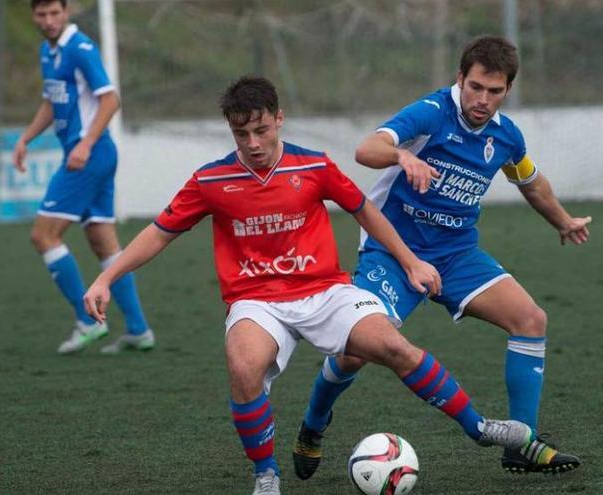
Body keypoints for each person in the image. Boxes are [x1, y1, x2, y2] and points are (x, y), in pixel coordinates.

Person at [83, 75, 540, 495]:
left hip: (324, 291)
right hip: (256, 301)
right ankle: (266, 475)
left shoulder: (315, 166)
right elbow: (160, 232)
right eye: (241, 134)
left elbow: (366, 210)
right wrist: (107, 277)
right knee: (244, 370)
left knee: (394, 348)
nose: (253, 143)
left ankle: (479, 428)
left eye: (261, 130)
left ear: (279, 119)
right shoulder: (212, 180)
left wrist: (410, 261)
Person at [293, 36, 588, 478]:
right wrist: (401, 157)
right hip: (394, 253)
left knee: (531, 319)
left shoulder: (506, 136)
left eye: (495, 91)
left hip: (457, 255)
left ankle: (520, 442)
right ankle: (313, 426)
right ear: (459, 79)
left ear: (508, 89)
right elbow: (366, 149)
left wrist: (562, 221)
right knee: (355, 353)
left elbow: (531, 181)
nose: (482, 100)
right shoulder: (432, 114)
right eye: (475, 87)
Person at [12, 0, 154, 354]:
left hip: (87, 155)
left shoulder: (80, 47)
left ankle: (87, 320)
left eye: (54, 13)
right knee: (102, 242)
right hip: (93, 155)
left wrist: (85, 144)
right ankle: (138, 329)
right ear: (34, 15)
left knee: (43, 235)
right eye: (41, 15)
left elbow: (110, 100)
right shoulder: (49, 51)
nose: (48, 21)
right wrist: (26, 138)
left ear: (67, 11)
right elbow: (52, 101)